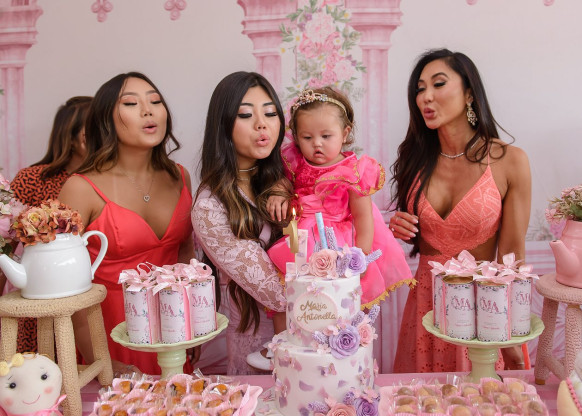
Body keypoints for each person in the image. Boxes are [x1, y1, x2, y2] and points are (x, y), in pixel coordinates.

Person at [246, 87, 415, 369]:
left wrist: (360, 257)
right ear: (296, 137)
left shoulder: (353, 170)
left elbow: (363, 218)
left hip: (336, 241)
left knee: (336, 301)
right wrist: (277, 192)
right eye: (307, 137)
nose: (317, 145)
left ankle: (336, 346)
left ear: (345, 132)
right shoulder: (294, 162)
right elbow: (282, 182)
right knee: (287, 291)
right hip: (301, 237)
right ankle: (283, 343)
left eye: (326, 136)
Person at [390, 49, 531, 373]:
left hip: (484, 311)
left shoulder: (510, 161)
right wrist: (399, 227)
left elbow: (512, 258)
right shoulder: (415, 160)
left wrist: (510, 338)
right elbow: (417, 236)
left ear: (469, 93)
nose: (426, 96)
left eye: (438, 84)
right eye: (420, 89)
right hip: (425, 306)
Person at [59, 72, 194, 376]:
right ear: (105, 119)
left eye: (155, 101)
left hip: (172, 330)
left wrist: (190, 326)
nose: (148, 111)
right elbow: (66, 288)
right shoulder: (80, 188)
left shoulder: (180, 176)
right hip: (108, 332)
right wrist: (99, 359)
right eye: (131, 103)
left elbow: (185, 253)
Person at [191, 71, 288, 375]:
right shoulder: (211, 206)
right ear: (223, 126)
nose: (262, 124)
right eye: (246, 115)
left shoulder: (285, 180)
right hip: (258, 347)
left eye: (270, 113)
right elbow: (278, 293)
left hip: (317, 339)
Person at [9, 96, 92, 353]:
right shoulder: (32, 179)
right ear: (71, 138)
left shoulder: (107, 180)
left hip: (91, 293)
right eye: (93, 128)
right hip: (45, 295)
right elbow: (6, 245)